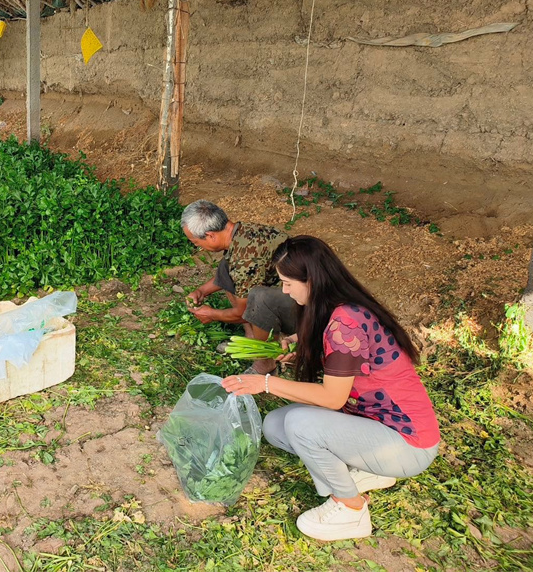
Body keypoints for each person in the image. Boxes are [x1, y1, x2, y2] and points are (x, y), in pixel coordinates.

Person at [222, 235, 440, 541]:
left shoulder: (345, 323)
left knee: (300, 424)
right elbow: (328, 345)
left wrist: (266, 382)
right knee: (275, 426)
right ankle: (368, 470)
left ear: (310, 279)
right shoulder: (335, 307)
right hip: (374, 426)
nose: (284, 290)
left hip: (408, 443)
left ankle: (351, 509)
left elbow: (333, 397)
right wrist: (299, 344)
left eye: (287, 282)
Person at [181, 200, 296, 374]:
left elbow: (243, 313)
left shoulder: (245, 260)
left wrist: (211, 314)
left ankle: (264, 362)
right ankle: (253, 336)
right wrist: (201, 291)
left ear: (210, 235)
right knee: (226, 267)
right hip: (286, 289)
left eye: (196, 243)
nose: (199, 248)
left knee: (259, 301)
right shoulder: (243, 232)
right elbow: (231, 271)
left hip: (303, 309)